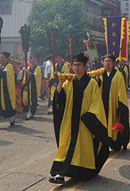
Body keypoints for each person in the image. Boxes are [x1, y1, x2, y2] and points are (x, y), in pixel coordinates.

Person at [49, 53, 109, 184]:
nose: (76, 68)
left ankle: (81, 173)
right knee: (65, 147)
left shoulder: (92, 84)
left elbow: (96, 103)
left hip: (83, 123)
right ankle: (60, 173)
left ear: (85, 66)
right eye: (74, 65)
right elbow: (59, 100)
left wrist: (88, 118)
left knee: (81, 150)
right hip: (69, 122)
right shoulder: (68, 83)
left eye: (79, 65)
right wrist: (59, 84)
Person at [97, 54, 130, 151]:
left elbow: (121, 90)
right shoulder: (100, 74)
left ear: (113, 63)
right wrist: (97, 80)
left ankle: (115, 143)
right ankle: (104, 144)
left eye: (109, 61)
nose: (107, 63)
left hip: (113, 105)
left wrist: (120, 105)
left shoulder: (118, 75)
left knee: (114, 124)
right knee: (103, 124)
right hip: (103, 104)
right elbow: (96, 88)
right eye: (105, 61)